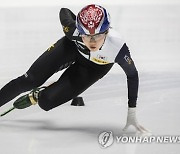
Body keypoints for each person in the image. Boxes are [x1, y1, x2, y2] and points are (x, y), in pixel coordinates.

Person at [0, 4, 149, 133]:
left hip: (94, 68)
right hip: (71, 49)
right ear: (79, 30)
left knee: (45, 102)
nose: (92, 41)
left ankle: (41, 93)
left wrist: (132, 112)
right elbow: (64, 11)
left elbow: (132, 75)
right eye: (85, 35)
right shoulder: (73, 32)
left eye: (97, 36)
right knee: (29, 80)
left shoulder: (117, 47)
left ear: (107, 32)